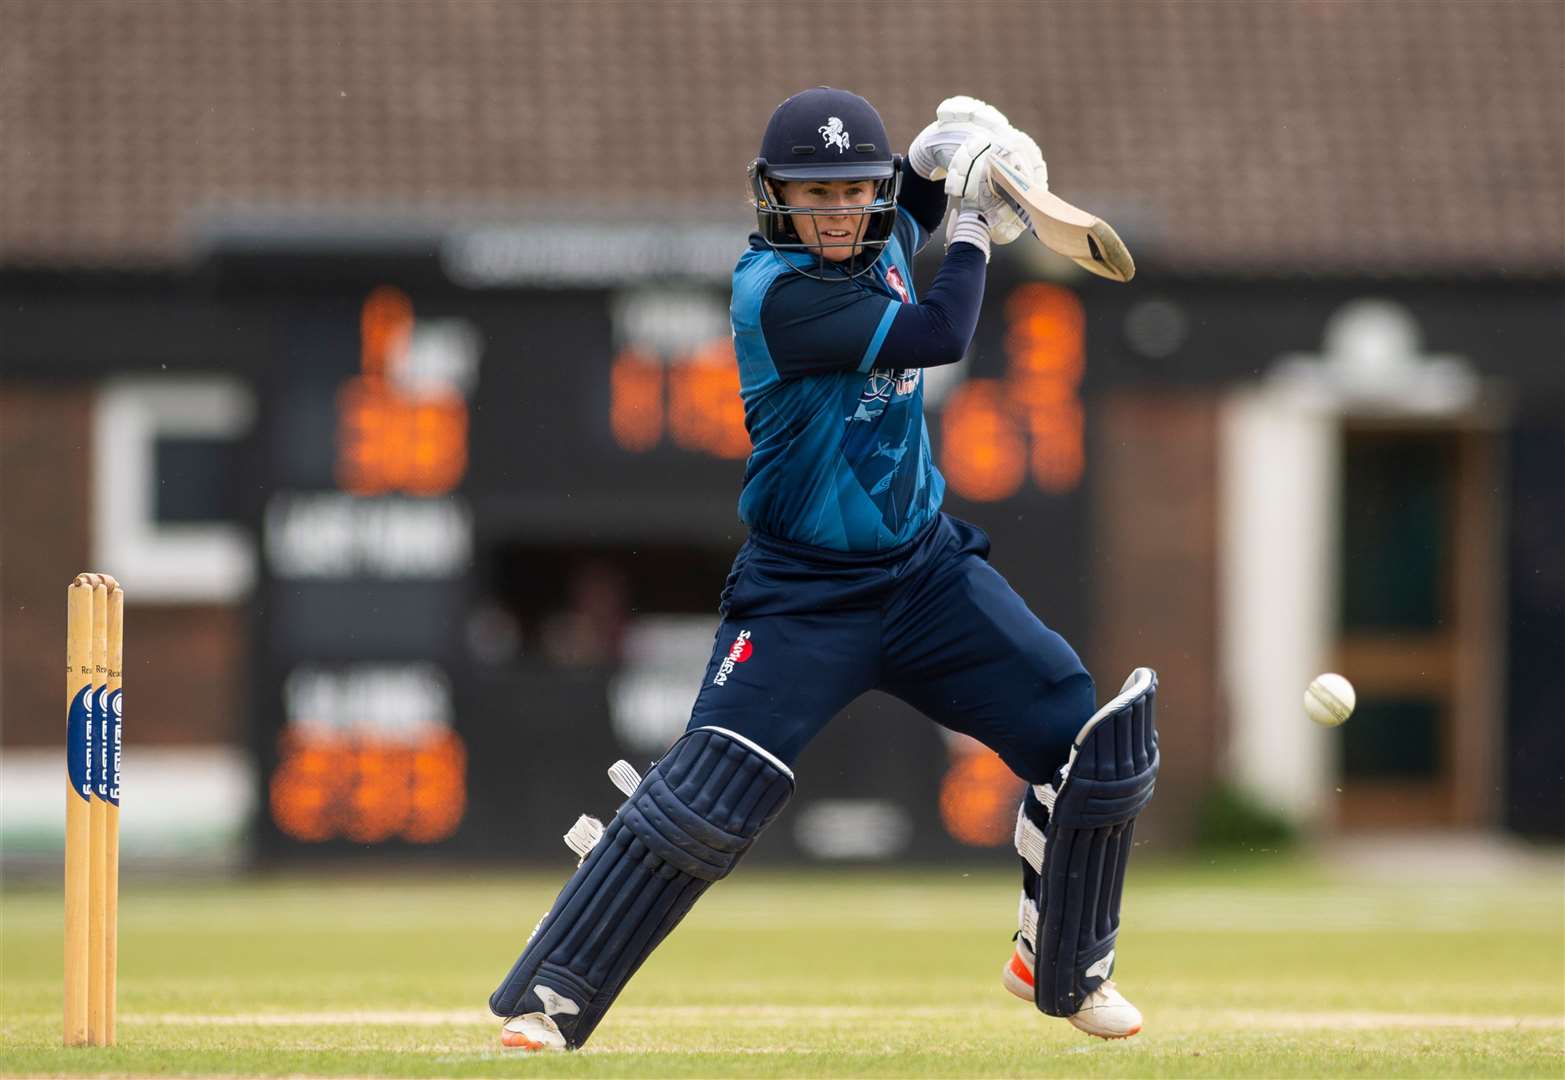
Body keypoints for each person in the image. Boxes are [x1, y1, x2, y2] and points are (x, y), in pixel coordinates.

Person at [489, 87, 1160, 1051]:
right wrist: (975, 218)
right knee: (708, 798)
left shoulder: (876, 231)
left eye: (855, 193)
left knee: (1081, 732)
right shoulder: (780, 294)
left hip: (924, 575)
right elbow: (942, 335)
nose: (840, 214)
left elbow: (914, 200)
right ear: (777, 199)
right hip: (803, 595)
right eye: (817, 195)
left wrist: (945, 154)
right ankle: (553, 996)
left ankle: (1057, 958)